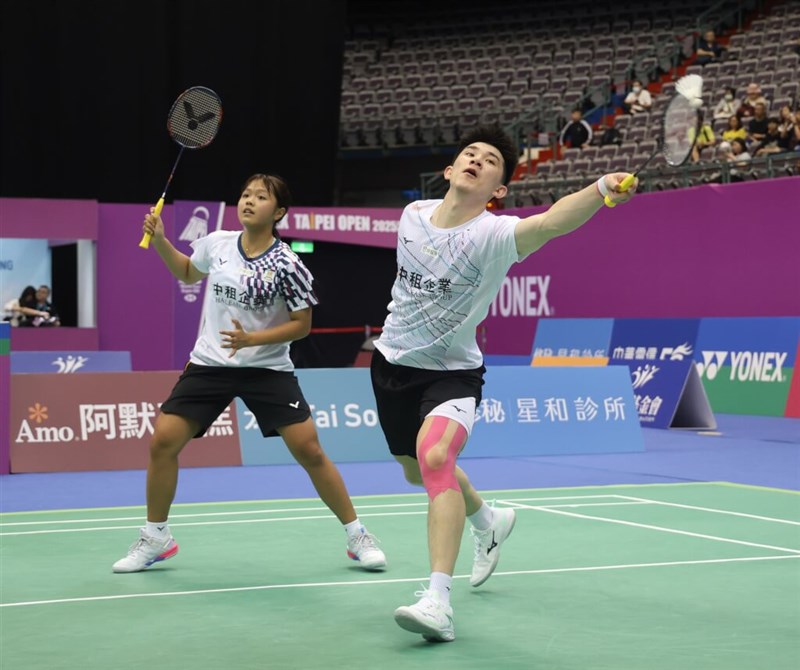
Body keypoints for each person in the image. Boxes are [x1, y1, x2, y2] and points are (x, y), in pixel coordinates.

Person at [370, 124, 637, 643]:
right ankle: (488, 519)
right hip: (391, 366)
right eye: (468, 153)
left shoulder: (496, 236)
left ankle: (437, 602)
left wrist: (601, 188)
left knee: (435, 459)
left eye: (489, 160)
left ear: (499, 189)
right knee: (415, 471)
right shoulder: (411, 216)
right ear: (448, 171)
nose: (475, 159)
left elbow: (554, 221)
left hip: (453, 372)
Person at [112, 173, 386, 574]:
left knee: (309, 449)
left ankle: (357, 535)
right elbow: (189, 273)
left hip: (266, 367)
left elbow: (302, 324)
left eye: (260, 197)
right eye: (245, 194)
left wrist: (254, 340)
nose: (248, 201)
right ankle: (156, 536)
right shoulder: (219, 244)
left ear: (278, 212)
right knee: (163, 442)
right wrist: (160, 242)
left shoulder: (287, 263)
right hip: (211, 363)